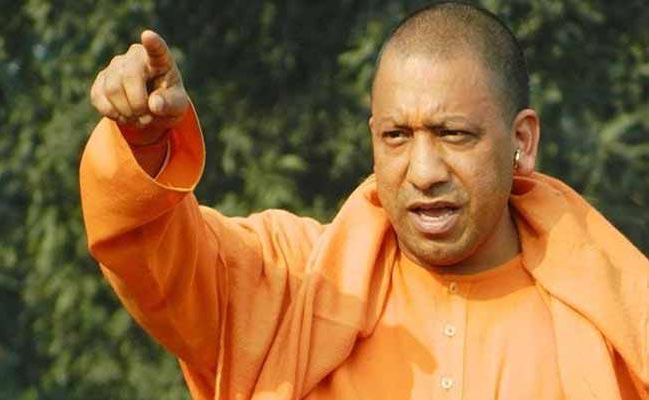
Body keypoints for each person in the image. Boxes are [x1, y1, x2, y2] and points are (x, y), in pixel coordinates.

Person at [80, 2, 648, 399]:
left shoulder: (617, 322)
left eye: (453, 134)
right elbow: (152, 256)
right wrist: (147, 143)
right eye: (397, 136)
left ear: (522, 140)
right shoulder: (289, 286)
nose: (423, 172)